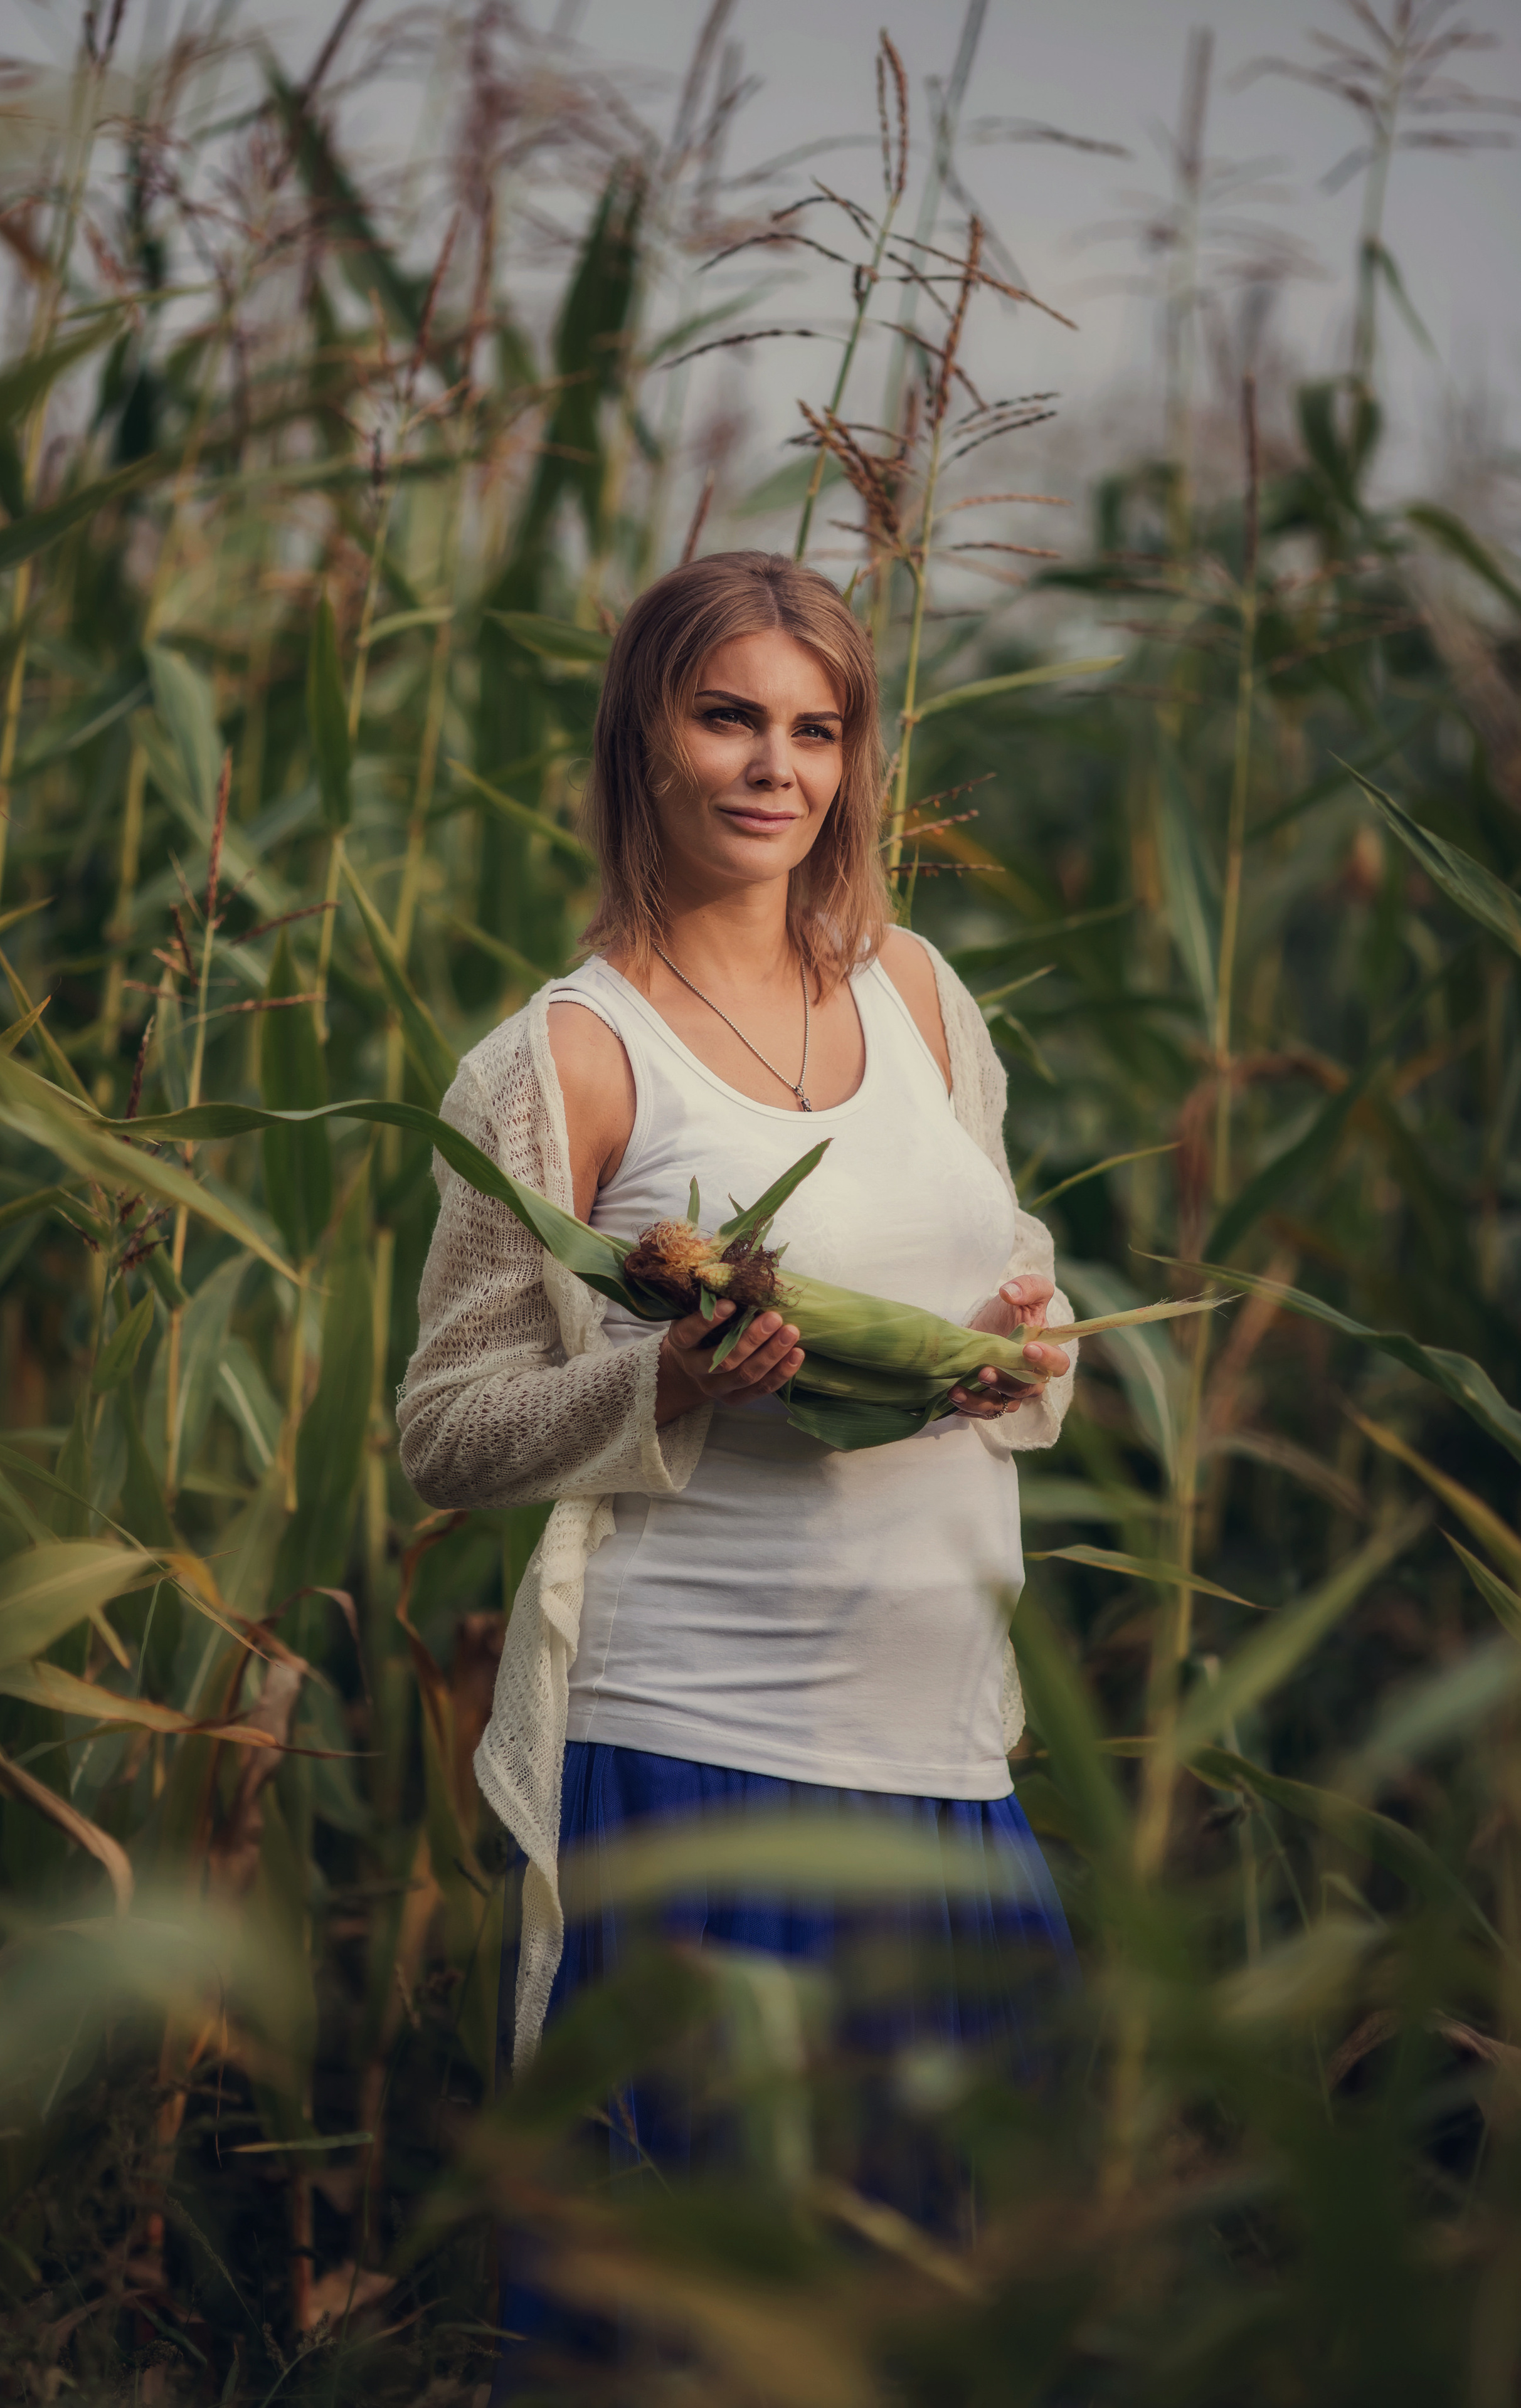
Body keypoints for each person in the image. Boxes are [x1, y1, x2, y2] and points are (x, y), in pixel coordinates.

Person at [397, 549, 1078, 2357]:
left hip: (945, 1746)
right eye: (728, 719)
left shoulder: (923, 997)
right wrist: (669, 1389)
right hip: (704, 1753)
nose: (776, 768)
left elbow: (1016, 1288)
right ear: (645, 737)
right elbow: (441, 1434)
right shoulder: (562, 1059)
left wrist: (1027, 1350)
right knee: (709, 2322)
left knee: (957, 2299)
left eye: (816, 729)